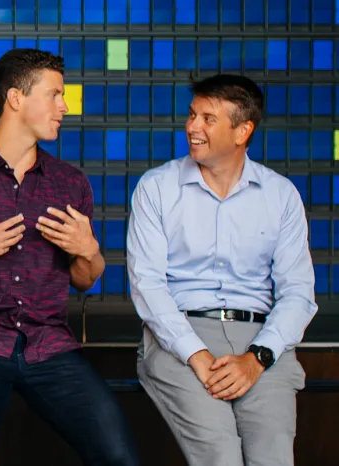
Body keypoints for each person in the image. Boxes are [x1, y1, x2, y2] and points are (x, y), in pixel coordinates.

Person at [0, 48, 137, 466]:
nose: (64, 106)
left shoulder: (70, 184)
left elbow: (85, 278)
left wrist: (88, 251)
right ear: (16, 98)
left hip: (50, 345)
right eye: (54, 94)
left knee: (119, 456)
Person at [127, 74, 313, 466]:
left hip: (262, 339)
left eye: (208, 119)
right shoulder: (157, 187)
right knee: (221, 457)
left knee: (273, 458)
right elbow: (148, 285)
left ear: (242, 130)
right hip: (180, 335)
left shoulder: (281, 195)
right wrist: (196, 354)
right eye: (192, 115)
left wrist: (258, 357)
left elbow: (298, 293)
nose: (192, 127)